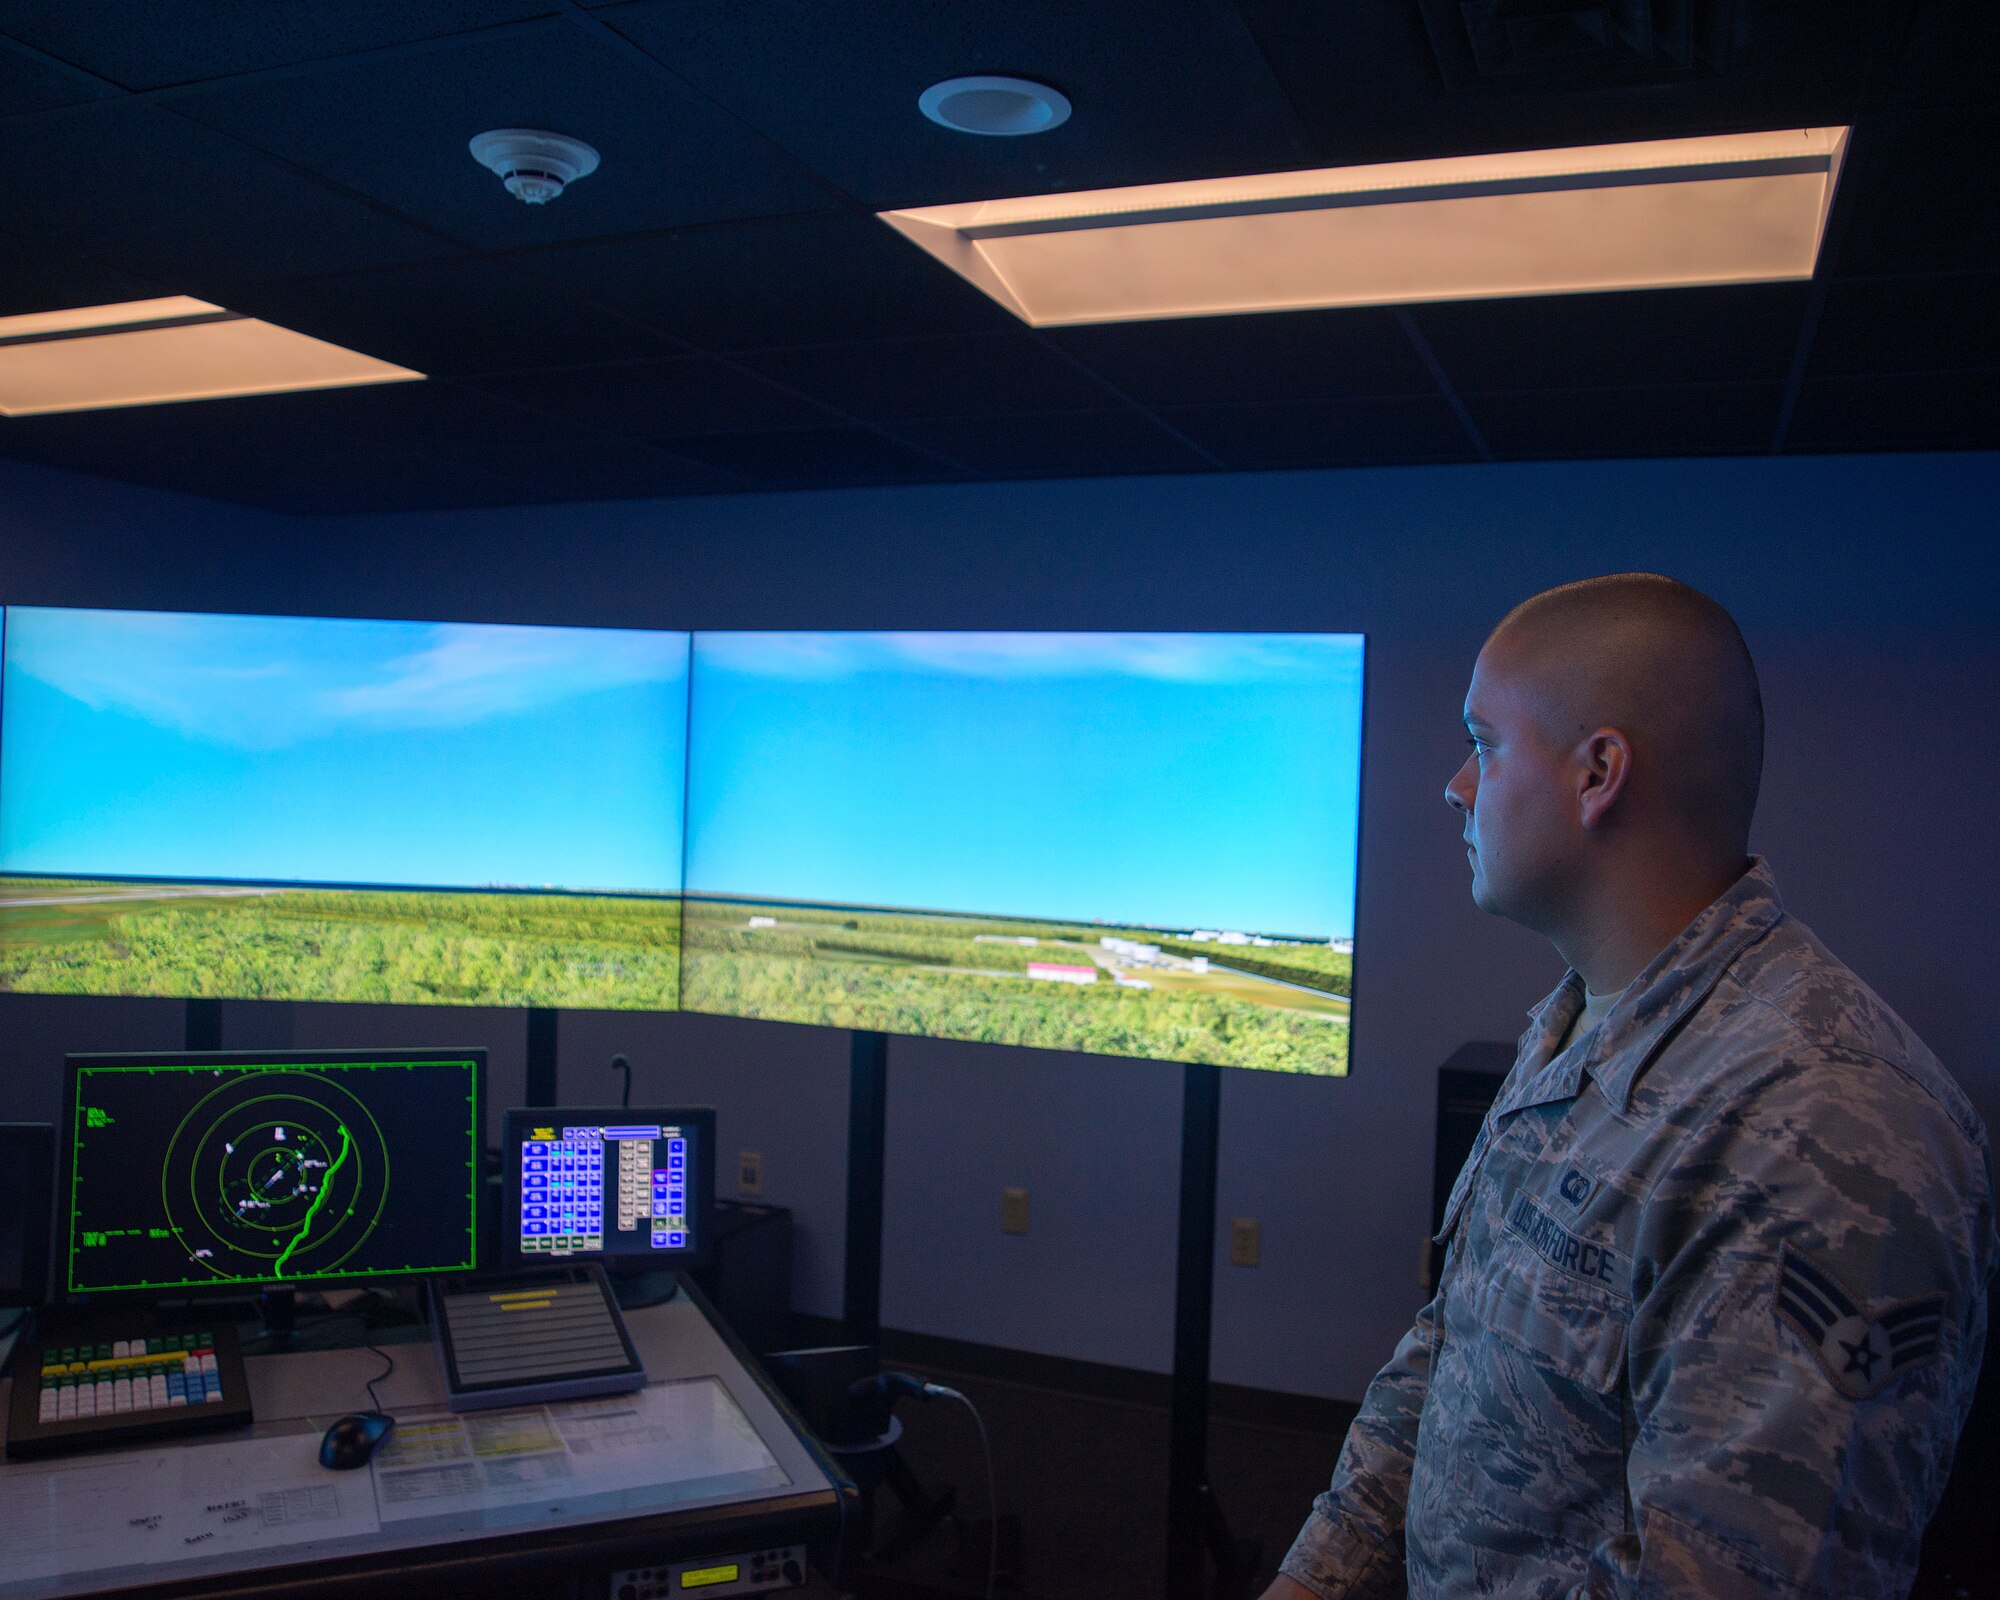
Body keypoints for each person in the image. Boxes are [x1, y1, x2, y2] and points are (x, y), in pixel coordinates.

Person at [1265, 574, 1996, 1599]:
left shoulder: (1820, 1124)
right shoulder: (1576, 1025)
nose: (1453, 786)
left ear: (1597, 771)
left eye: (1482, 744)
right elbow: (1447, 1352)